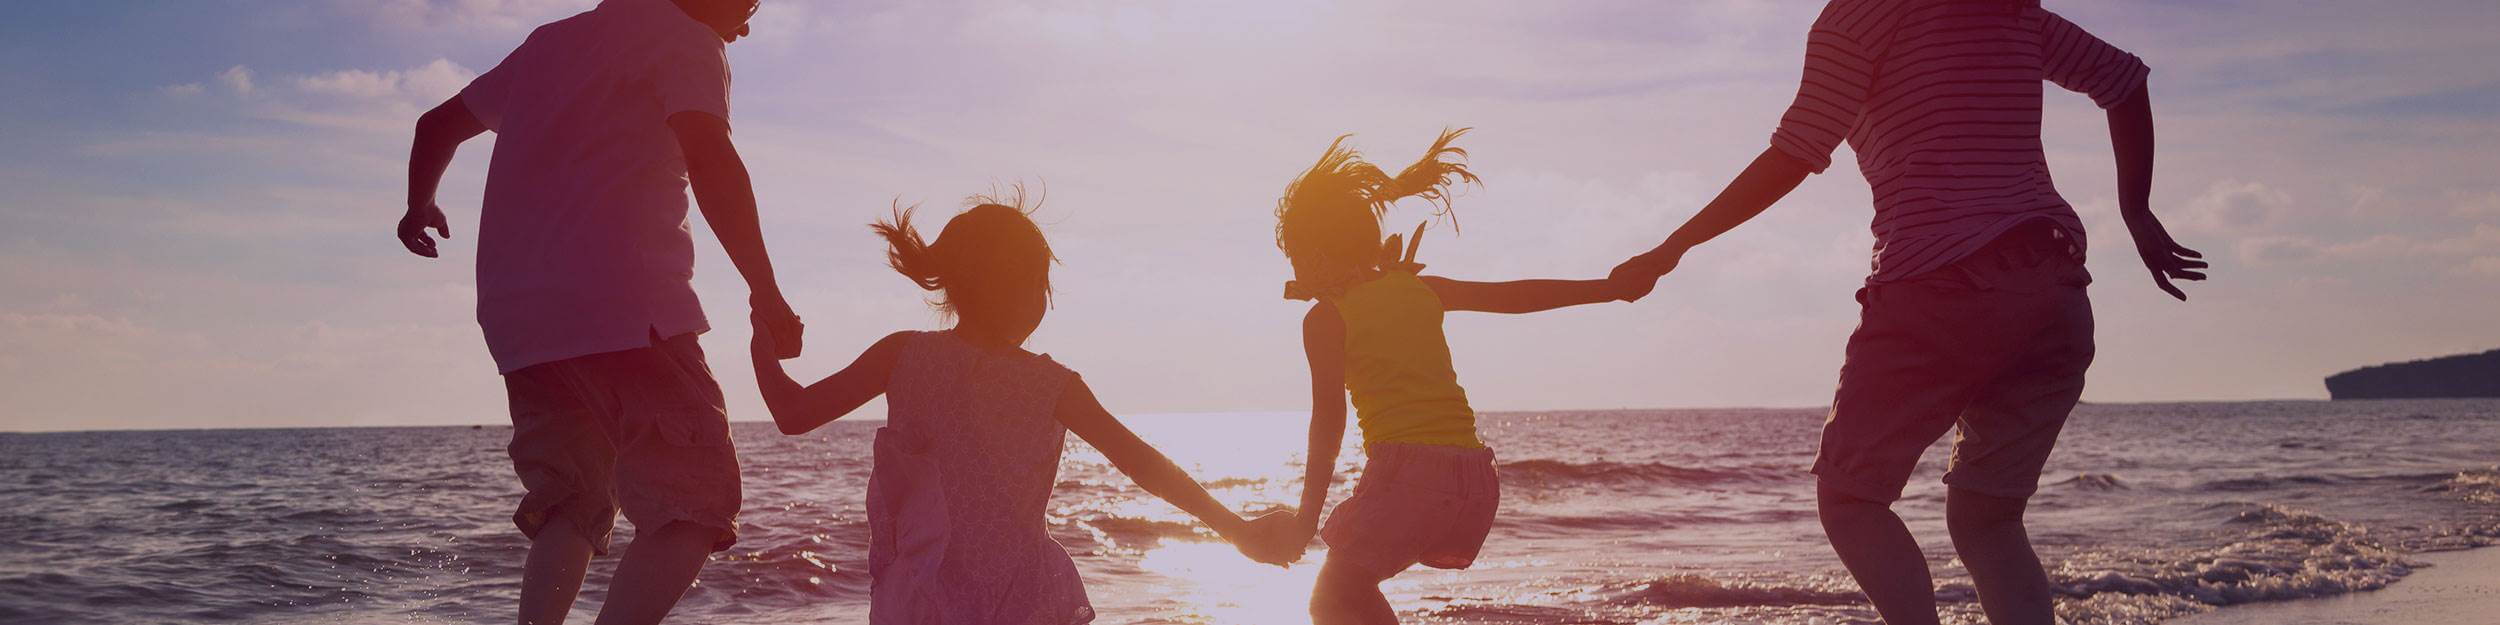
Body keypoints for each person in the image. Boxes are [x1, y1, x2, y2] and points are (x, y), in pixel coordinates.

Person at [1610, 2, 2206, 624]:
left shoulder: (1857, 17)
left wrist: (1669, 248)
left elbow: (1795, 153)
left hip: (1937, 283)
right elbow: (2124, 82)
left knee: (1849, 499)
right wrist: (2135, 210)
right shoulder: (2005, 10)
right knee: (1988, 517)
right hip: (2053, 290)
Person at [395, 0, 798, 623]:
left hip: (521, 322)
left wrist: (419, 206)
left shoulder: (548, 44)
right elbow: (711, 158)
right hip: (626, 310)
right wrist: (766, 291)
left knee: (573, 504)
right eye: (744, 6)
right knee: (695, 503)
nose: (744, 27)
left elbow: (435, 126)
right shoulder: (685, 40)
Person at [749, 193, 1303, 624]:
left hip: (921, 599)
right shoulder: (1052, 384)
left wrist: (761, 342)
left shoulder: (905, 355)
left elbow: (793, 412)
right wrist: (1236, 529)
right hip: (1018, 597)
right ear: (1028, 290)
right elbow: (1142, 463)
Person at [1266, 129, 1651, 624]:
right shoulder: (1418, 288)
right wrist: (1608, 288)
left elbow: (1328, 424)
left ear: (1316, 254)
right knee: (1347, 587)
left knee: (1332, 595)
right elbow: (1514, 297)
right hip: (1474, 480)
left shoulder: (1325, 319)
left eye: (1295, 254)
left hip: (1409, 478)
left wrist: (1305, 520)